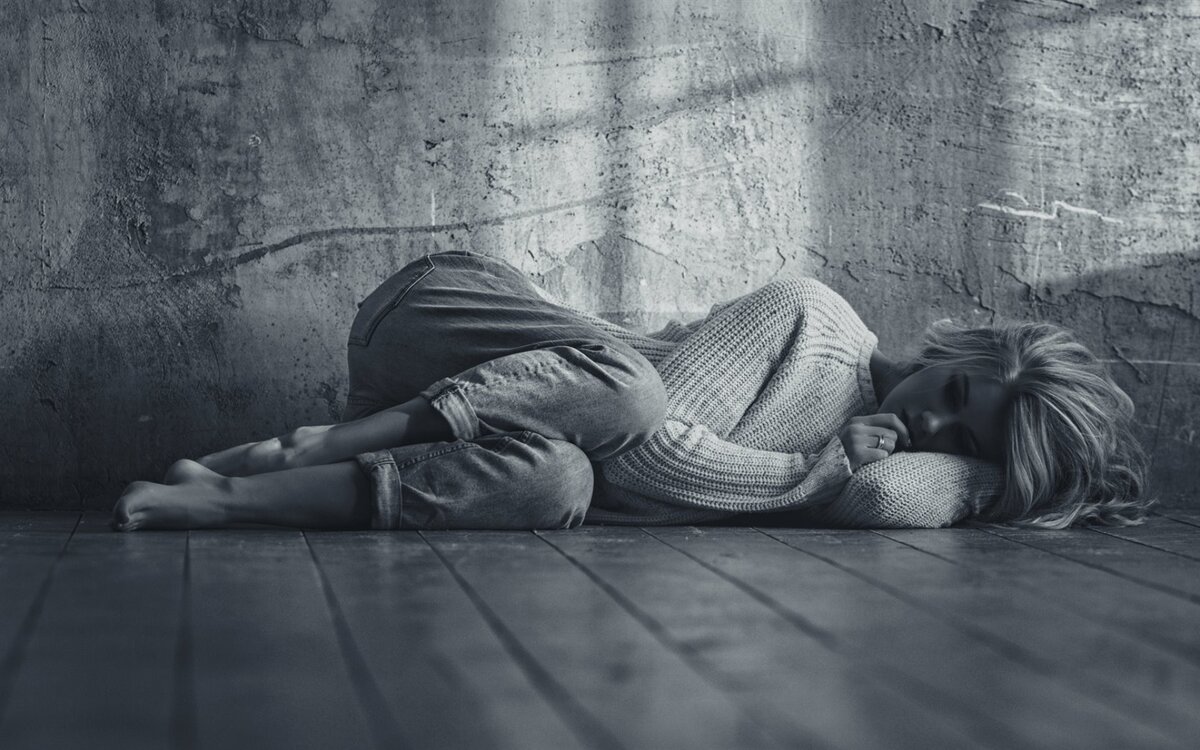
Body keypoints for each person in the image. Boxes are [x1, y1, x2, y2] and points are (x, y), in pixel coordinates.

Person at [111, 249, 1150, 532]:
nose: (929, 420)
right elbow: (649, 452)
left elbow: (886, 496)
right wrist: (811, 473)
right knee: (630, 397)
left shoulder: (873, 467)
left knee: (561, 484)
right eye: (954, 391)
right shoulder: (816, 321)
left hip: (487, 427)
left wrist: (984, 483)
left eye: (959, 440)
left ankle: (228, 493)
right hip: (444, 315)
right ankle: (315, 443)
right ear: (956, 345)